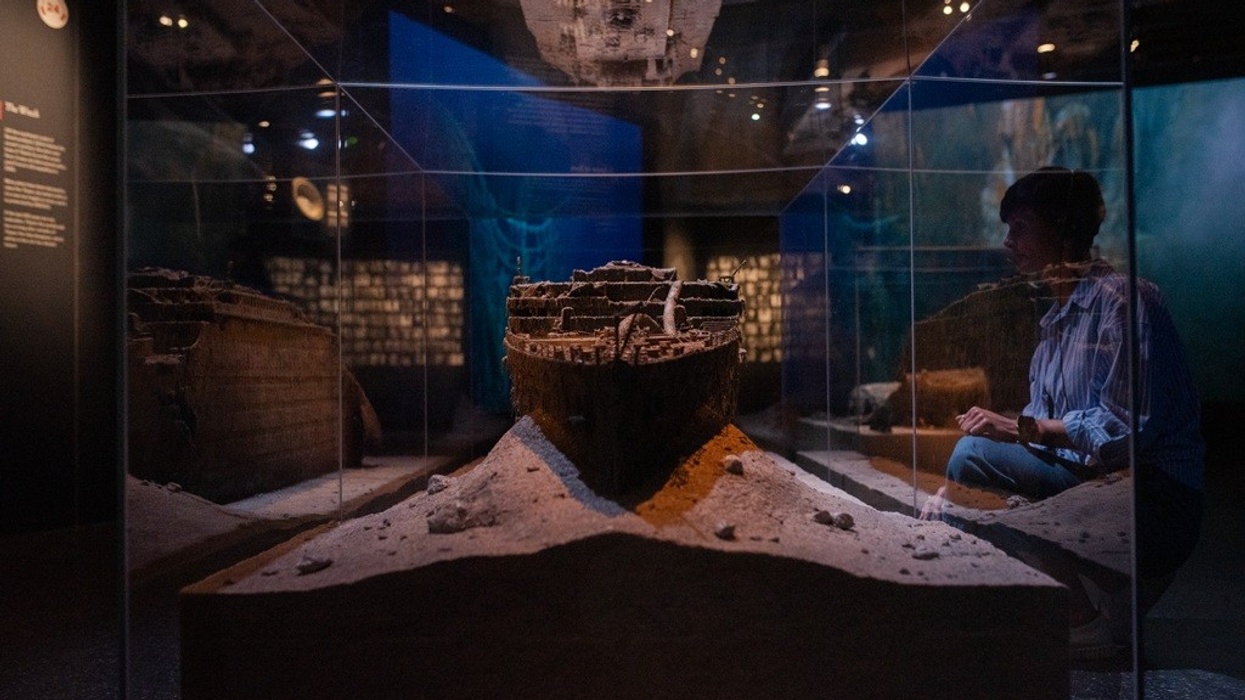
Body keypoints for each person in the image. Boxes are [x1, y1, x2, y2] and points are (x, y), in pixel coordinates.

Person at [932, 166, 1205, 658]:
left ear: (1062, 229)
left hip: (1152, 498)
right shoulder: (1057, 320)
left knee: (972, 456)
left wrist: (1015, 427)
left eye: (1020, 227)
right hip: (1100, 484)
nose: (1008, 242)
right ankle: (1096, 593)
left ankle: (1079, 624)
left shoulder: (1125, 301)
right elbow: (1041, 437)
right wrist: (954, 483)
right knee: (971, 467)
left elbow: (1126, 431)